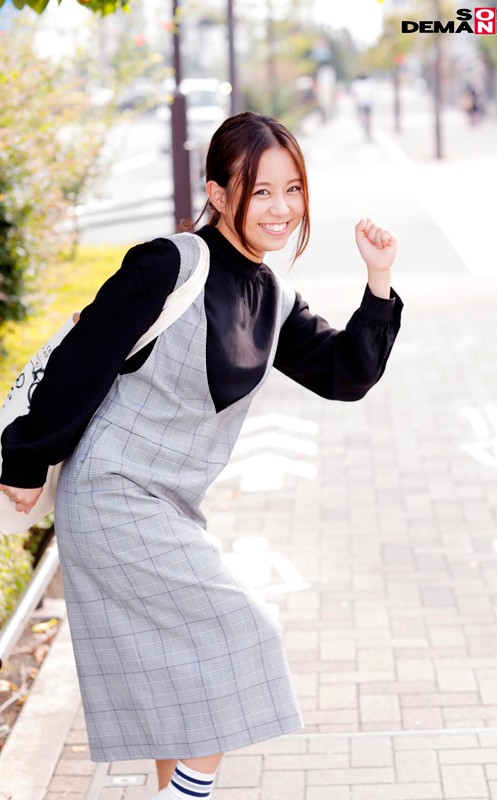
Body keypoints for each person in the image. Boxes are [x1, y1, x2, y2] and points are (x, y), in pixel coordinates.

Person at [0, 111, 403, 799]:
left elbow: (345, 374)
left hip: (173, 507)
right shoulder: (170, 264)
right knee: (243, 633)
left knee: (175, 692)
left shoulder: (273, 296)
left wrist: (379, 279)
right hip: (112, 494)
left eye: (293, 189)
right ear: (217, 193)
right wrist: (25, 462)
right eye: (260, 190)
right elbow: (83, 358)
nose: (281, 209)